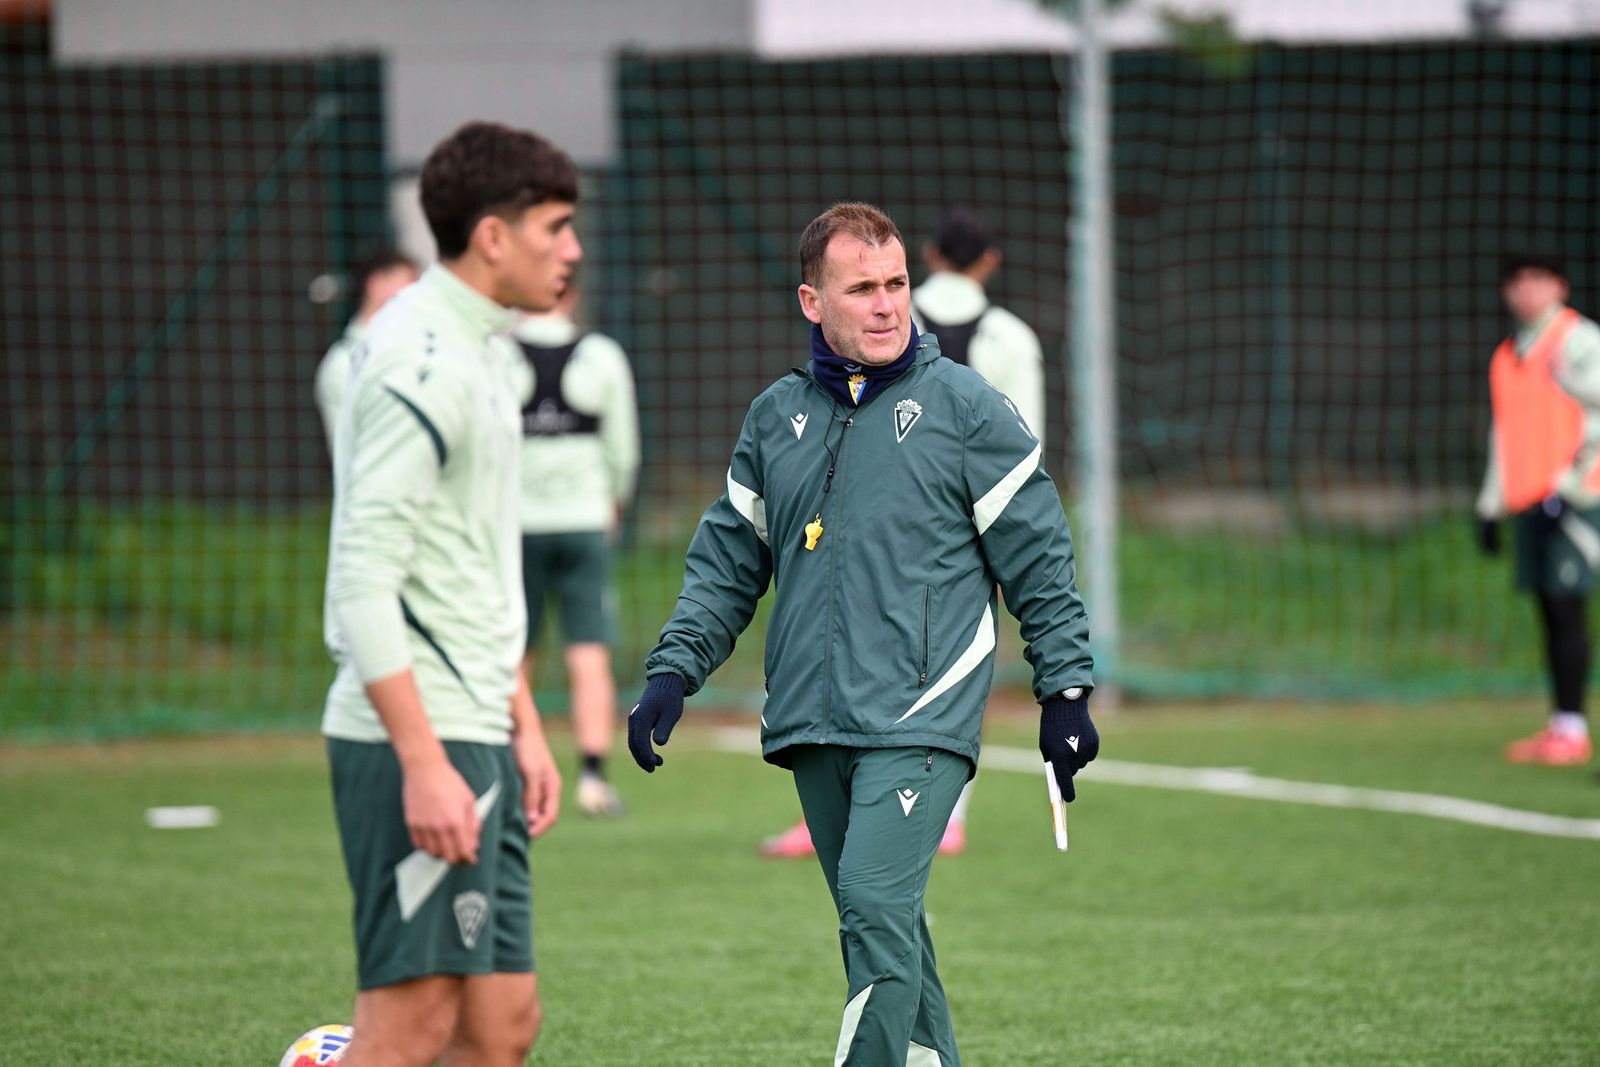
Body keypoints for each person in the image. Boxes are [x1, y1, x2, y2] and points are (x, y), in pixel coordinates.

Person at [627, 201, 1097, 1065]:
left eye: (897, 285)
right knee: (885, 931)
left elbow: (1039, 554)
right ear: (814, 301)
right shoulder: (775, 418)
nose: (888, 306)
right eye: (863, 289)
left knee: (876, 910)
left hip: (923, 715)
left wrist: (1064, 688)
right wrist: (672, 674)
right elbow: (728, 566)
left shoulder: (966, 407)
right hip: (812, 717)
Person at [321, 121, 580, 1067]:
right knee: (413, 1024)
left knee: (499, 1023)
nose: (573, 249)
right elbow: (363, 576)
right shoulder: (417, 362)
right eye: (554, 226)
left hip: (477, 725)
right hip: (420, 736)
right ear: (491, 235)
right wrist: (422, 758)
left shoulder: (483, 353)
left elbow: (463, 565)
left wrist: (521, 720)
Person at [760, 206, 1047, 859]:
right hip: (971, 520)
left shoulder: (874, 316)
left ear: (928, 256)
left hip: (871, 515)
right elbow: (1026, 445)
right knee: (961, 654)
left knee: (836, 643)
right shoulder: (1010, 337)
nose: (882, 301)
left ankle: (827, 811)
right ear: (990, 260)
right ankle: (947, 812)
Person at [510, 282, 641, 815]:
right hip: (585, 521)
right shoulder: (602, 355)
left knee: (513, 654)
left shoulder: (495, 355)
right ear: (571, 295)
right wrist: (614, 502)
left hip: (513, 525)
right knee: (588, 651)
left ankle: (518, 775)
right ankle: (591, 778)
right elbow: (623, 448)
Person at [1477, 252, 1600, 768]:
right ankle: (1564, 725)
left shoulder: (1579, 341)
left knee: (1570, 609)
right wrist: (1489, 505)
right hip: (1531, 503)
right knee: (1552, 612)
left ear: (1560, 286)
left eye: (1538, 280)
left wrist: (1568, 487)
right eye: (1518, 282)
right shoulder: (1508, 354)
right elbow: (1504, 434)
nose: (1527, 291)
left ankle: (1571, 728)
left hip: (1579, 501)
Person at [314, 249, 420, 452]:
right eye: (408, 287)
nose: (415, 299)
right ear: (376, 285)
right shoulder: (344, 364)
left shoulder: (410, 349)